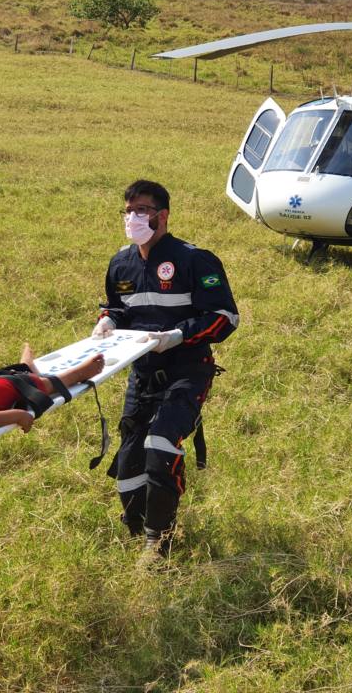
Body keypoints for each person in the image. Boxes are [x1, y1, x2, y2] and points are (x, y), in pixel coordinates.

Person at [93, 180, 239, 558]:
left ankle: (160, 542)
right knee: (128, 463)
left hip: (187, 369)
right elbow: (117, 305)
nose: (132, 218)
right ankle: (138, 531)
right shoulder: (121, 262)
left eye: (140, 210)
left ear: (163, 216)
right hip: (141, 375)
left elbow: (225, 318)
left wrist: (177, 335)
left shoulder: (194, 260)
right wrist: (107, 320)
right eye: (127, 211)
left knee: (160, 445)